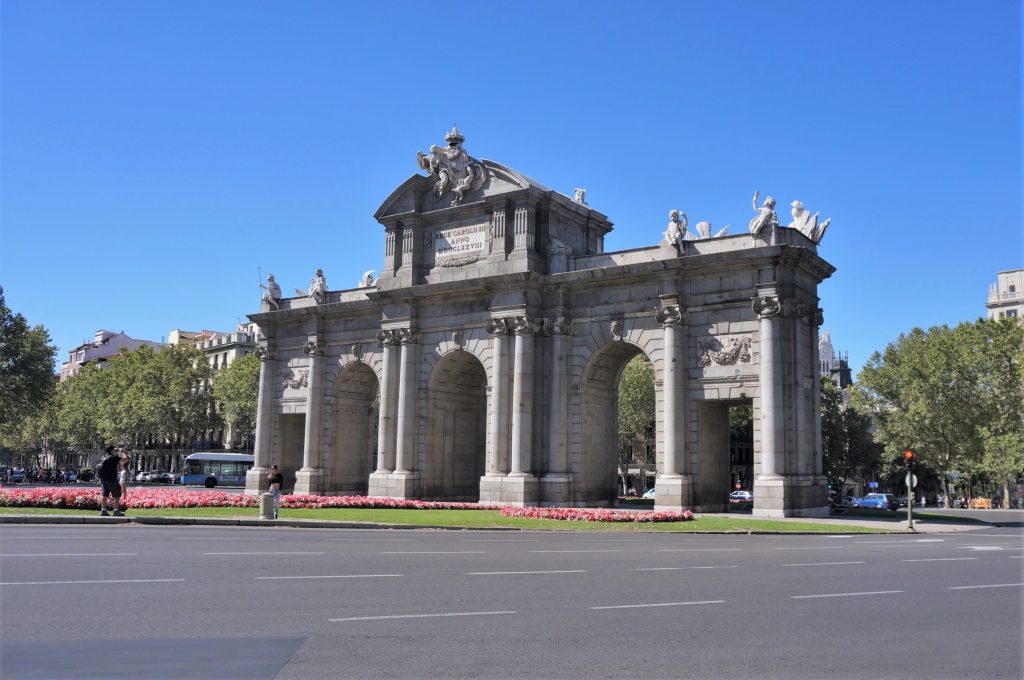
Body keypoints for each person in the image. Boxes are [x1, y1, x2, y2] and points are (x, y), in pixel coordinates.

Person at [97, 445, 125, 516]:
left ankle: (103, 511)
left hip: (103, 479)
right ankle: (116, 511)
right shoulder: (113, 457)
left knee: (104, 495)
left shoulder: (103, 457)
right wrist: (121, 451)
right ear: (112, 450)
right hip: (112, 479)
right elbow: (125, 459)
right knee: (116, 495)